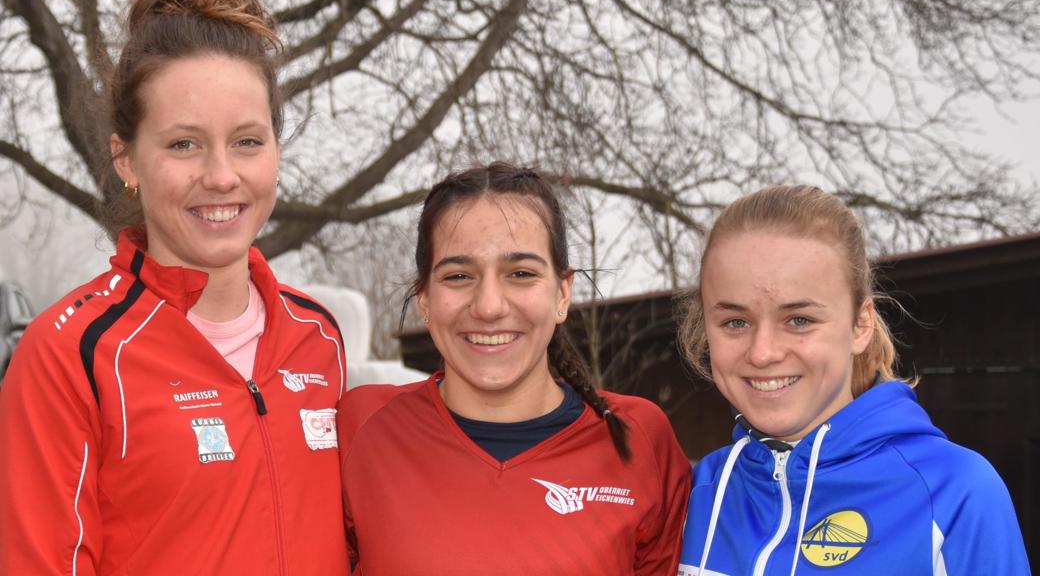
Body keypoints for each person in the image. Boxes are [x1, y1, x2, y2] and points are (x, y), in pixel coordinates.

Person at [0, 0, 348, 573]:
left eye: (246, 141)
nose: (220, 176)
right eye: (184, 144)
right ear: (127, 159)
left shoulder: (319, 339)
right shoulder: (69, 354)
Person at [338, 162, 692, 575]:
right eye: (458, 275)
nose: (489, 306)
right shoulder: (362, 428)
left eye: (521, 273)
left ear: (562, 294)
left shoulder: (637, 437)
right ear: (425, 301)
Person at [675, 185, 1029, 575]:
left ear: (860, 324)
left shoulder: (954, 491)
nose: (762, 353)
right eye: (735, 322)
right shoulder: (696, 494)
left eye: (799, 320)